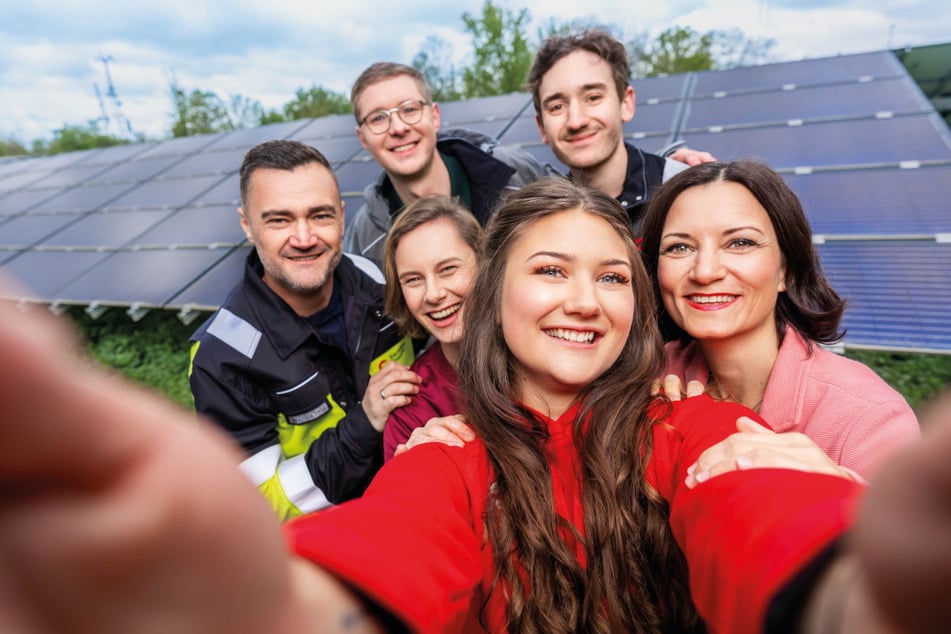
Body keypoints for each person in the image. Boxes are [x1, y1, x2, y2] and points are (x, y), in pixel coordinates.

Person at [2, 183, 951, 632]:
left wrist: (838, 598)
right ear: (494, 297)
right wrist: (292, 607)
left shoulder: (684, 419)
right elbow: (395, 541)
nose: (585, 299)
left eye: (611, 277)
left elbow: (752, 502)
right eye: (549, 271)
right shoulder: (446, 451)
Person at [639, 160, 920, 482]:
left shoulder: (868, 417)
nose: (704, 271)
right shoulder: (643, 377)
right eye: (680, 247)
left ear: (785, 270)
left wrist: (840, 492)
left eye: (740, 243)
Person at [188, 139, 419, 521]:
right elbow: (263, 505)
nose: (304, 238)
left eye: (321, 215)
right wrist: (363, 425)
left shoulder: (377, 280)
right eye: (279, 219)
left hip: (415, 501)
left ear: (342, 217)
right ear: (247, 225)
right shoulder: (221, 356)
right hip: (327, 545)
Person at [343, 62, 550, 267]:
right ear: (363, 138)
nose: (398, 128)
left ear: (434, 117)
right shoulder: (365, 238)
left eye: (409, 109)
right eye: (378, 118)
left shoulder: (518, 174)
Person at [527, 29, 716, 235]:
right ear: (541, 127)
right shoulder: (541, 225)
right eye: (557, 107)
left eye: (593, 97)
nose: (576, 121)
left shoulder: (689, 193)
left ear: (626, 103)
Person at [380, 195, 479, 461]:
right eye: (413, 280)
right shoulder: (411, 408)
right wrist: (419, 463)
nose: (433, 294)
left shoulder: (541, 351)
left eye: (448, 269)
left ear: (485, 264)